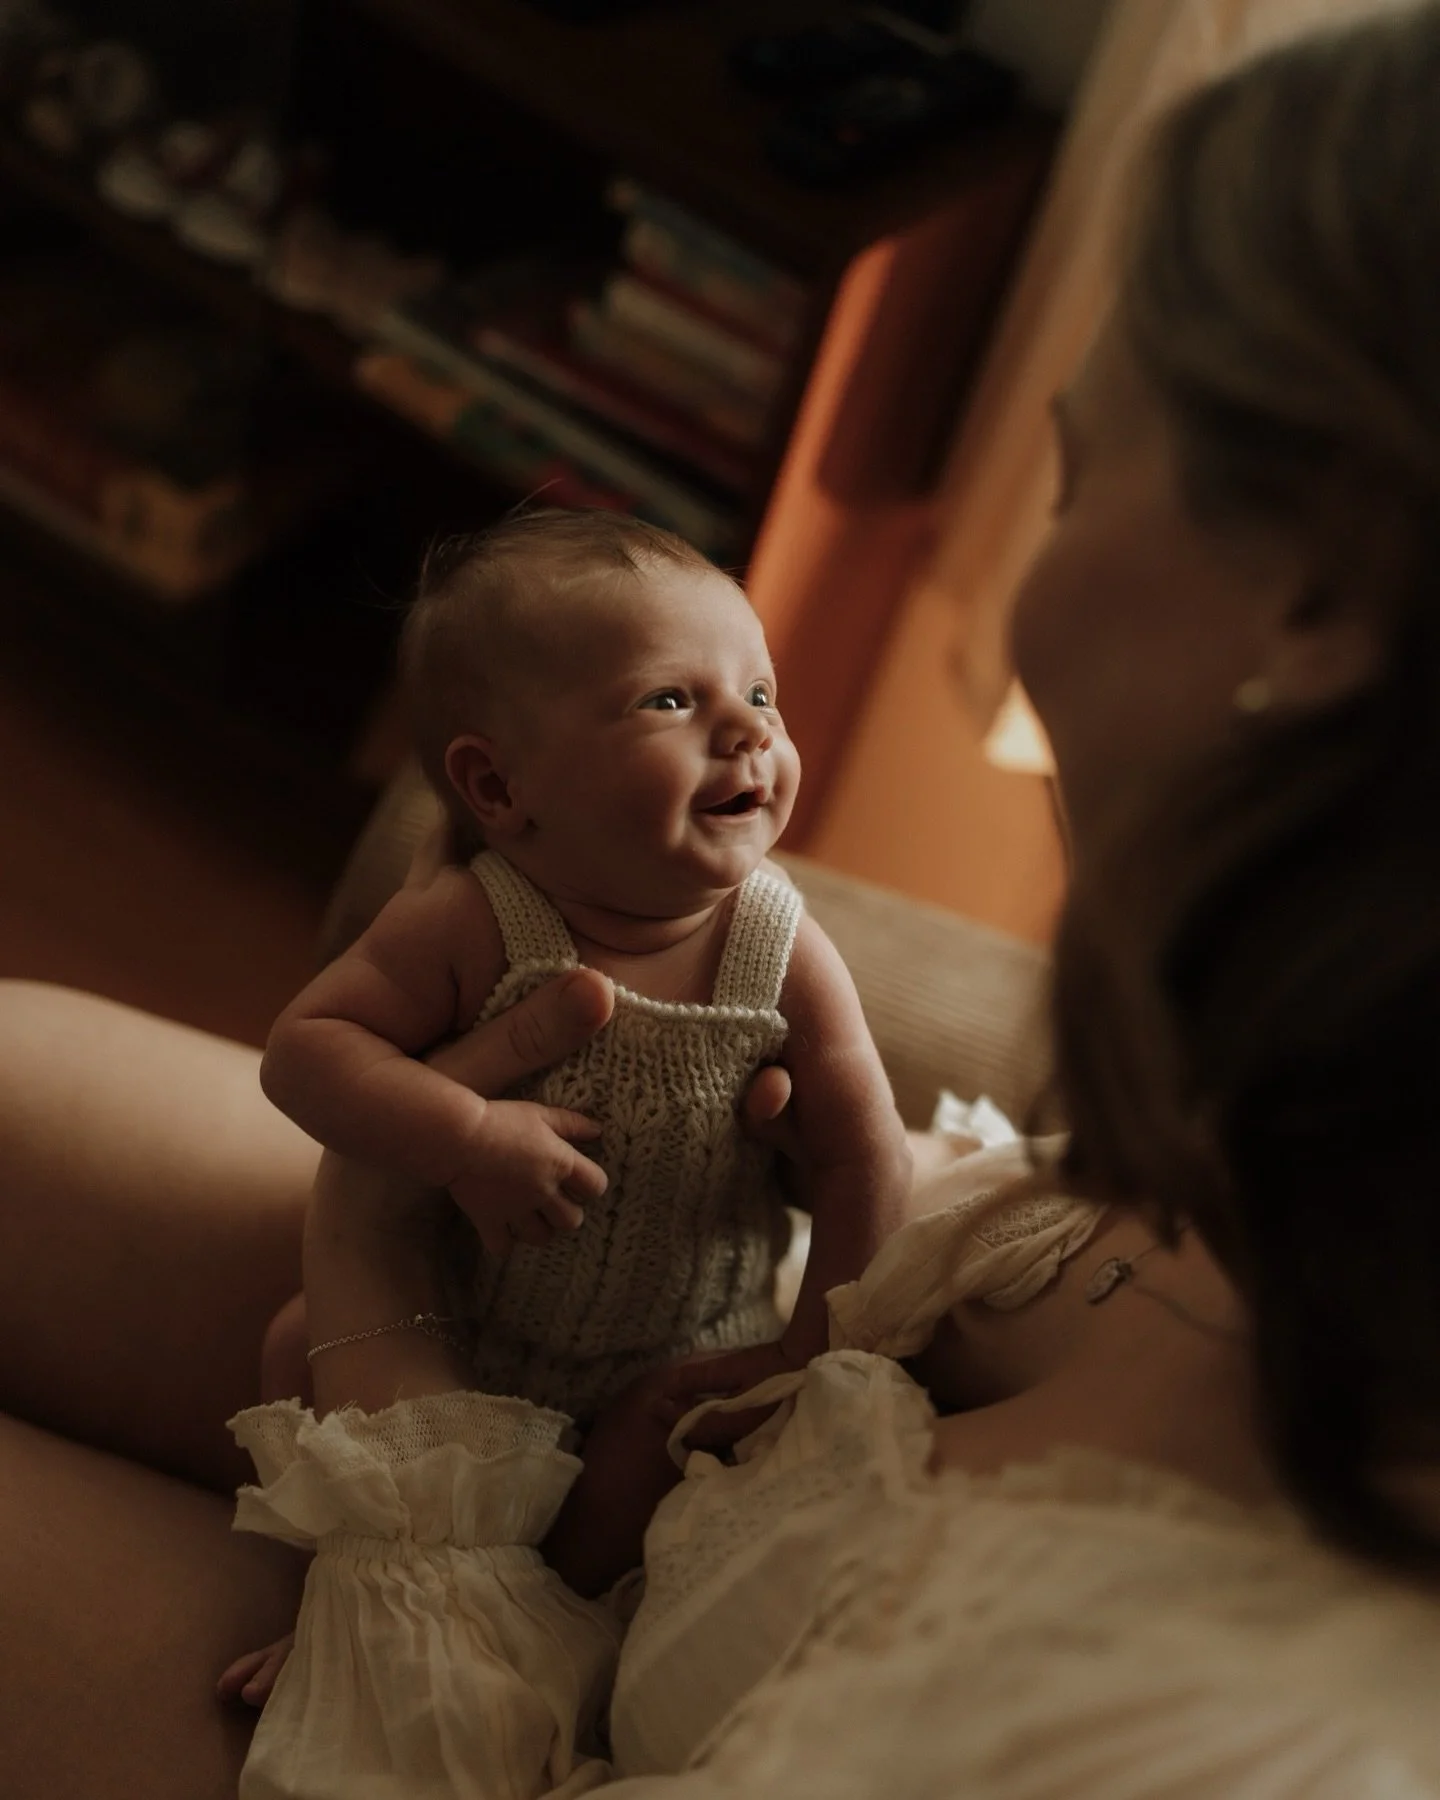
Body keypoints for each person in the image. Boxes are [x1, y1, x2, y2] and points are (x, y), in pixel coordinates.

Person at [6, 5, 1440, 1795]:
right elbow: (833, 1171)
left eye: (1078, 473)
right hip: (625, 1350)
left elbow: (826, 1128)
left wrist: (379, 1264)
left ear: (1311, 605)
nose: (1023, 604)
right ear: (496, 791)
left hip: (480, 1676)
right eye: (682, 700)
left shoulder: (1180, 1738)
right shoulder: (1301, 1166)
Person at [258, 510, 909, 1424]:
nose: (748, 730)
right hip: (454, 1324)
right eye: (671, 701)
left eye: (761, 694)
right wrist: (467, 1138)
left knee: (658, 1453)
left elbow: (865, 1150)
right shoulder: (474, 922)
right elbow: (304, 1053)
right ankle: (352, 1556)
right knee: (295, 1347)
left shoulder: (778, 946)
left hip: (689, 1353)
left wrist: (813, 1353)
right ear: (498, 787)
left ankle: (547, 1567)